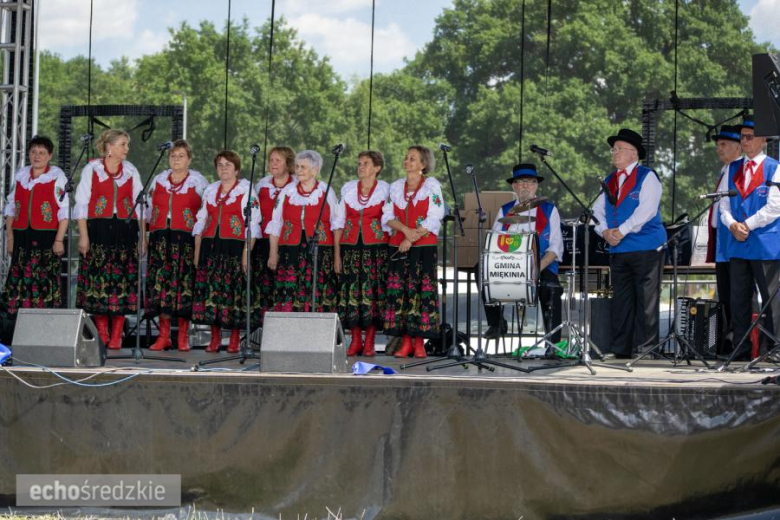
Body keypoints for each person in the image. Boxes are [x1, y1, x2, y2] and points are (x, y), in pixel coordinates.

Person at [593, 128, 665, 359]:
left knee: (646, 300)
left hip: (646, 247)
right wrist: (604, 231)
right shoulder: (609, 180)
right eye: (613, 149)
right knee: (621, 301)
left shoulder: (647, 176)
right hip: (619, 248)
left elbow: (646, 210)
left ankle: (646, 348)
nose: (615, 153)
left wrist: (621, 231)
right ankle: (621, 349)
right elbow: (596, 211)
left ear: (634, 153)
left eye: (619, 149)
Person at [717, 114, 780, 360]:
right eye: (742, 137)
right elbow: (723, 204)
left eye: (749, 137)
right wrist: (732, 224)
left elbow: (775, 207)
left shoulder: (774, 167)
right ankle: (741, 349)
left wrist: (746, 225)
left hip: (764, 243)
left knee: (771, 298)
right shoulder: (732, 168)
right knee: (739, 300)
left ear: (763, 140)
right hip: (738, 243)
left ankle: (775, 348)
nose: (744, 141)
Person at [74, 129, 143, 349]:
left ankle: (117, 334)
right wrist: (84, 235)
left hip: (125, 230)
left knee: (122, 281)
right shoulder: (92, 169)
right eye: (123, 144)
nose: (127, 149)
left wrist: (143, 237)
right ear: (110, 147)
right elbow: (82, 203)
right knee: (99, 280)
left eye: (127, 144)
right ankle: (102, 332)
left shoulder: (131, 170)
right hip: (98, 230)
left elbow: (140, 205)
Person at [484, 163, 563, 343]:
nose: (525, 186)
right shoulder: (505, 210)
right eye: (520, 182)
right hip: (509, 266)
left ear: (536, 185)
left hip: (541, 266)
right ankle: (497, 323)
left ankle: (554, 343)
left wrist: (536, 269)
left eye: (530, 181)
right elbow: (495, 241)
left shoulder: (549, 210)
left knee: (551, 288)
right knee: (480, 270)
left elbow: (555, 247)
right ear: (514, 186)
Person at [192, 150, 261, 354]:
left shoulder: (246, 190)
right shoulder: (210, 190)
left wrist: (246, 253)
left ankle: (234, 339)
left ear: (236, 169)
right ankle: (214, 339)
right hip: (211, 247)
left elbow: (253, 224)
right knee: (213, 293)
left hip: (234, 248)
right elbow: (201, 220)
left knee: (233, 294)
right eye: (220, 165)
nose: (223, 168)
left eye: (228, 165)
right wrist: (197, 252)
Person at [382, 145, 445, 358]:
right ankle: (406, 343)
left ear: (423, 164)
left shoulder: (431, 186)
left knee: (420, 293)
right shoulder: (395, 187)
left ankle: (419, 344)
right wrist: (405, 231)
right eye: (406, 157)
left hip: (423, 247)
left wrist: (411, 237)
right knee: (401, 293)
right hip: (398, 244)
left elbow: (435, 215)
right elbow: (387, 215)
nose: (407, 161)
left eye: (413, 158)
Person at [145, 139, 208, 351]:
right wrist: (146, 235)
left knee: (183, 286)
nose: (176, 159)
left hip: (186, 240)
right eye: (173, 155)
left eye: (181, 156)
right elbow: (148, 209)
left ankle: (183, 336)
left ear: (189, 159)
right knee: (162, 286)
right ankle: (164, 336)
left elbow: (206, 212)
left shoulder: (199, 182)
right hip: (161, 239)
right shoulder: (159, 180)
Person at [266, 150, 343, 313]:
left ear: (315, 170)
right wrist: (273, 253)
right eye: (297, 166)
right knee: (290, 288)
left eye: (303, 167)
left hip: (320, 250)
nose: (298, 170)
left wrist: (337, 256)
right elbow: (276, 223)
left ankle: (317, 325)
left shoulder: (326, 191)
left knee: (317, 287)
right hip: (290, 250)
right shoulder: (287, 191)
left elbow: (337, 225)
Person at [2, 136, 69, 316]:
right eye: (33, 152)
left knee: (44, 278)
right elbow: (11, 209)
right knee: (20, 278)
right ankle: (16, 321)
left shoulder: (57, 177)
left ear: (50, 156)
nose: (37, 156)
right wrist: (10, 238)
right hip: (22, 236)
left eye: (42, 152)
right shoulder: (21, 176)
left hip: (46, 237)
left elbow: (64, 211)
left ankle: (43, 321)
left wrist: (59, 240)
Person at [336, 150, 390, 357]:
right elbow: (338, 223)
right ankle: (355, 339)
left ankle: (370, 341)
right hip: (350, 249)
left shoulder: (385, 190)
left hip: (376, 250)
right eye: (359, 163)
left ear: (377, 168)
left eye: (365, 163)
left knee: (373, 294)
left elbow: (391, 219)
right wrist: (337, 255)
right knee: (351, 294)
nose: (360, 167)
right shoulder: (348, 189)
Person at [708, 125, 742, 346]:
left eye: (723, 144)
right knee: (726, 292)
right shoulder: (726, 169)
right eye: (718, 145)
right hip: (722, 240)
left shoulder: (739, 168)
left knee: (737, 292)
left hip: (733, 239)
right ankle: (728, 338)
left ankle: (738, 339)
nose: (718, 149)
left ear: (738, 147)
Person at [254, 146, 295, 325]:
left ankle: (284, 327)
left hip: (287, 244)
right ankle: (263, 329)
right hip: (263, 243)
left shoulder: (296, 186)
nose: (273, 163)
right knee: (263, 288)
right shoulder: (262, 185)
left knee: (284, 287)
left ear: (288, 163)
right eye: (271, 160)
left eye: (278, 160)